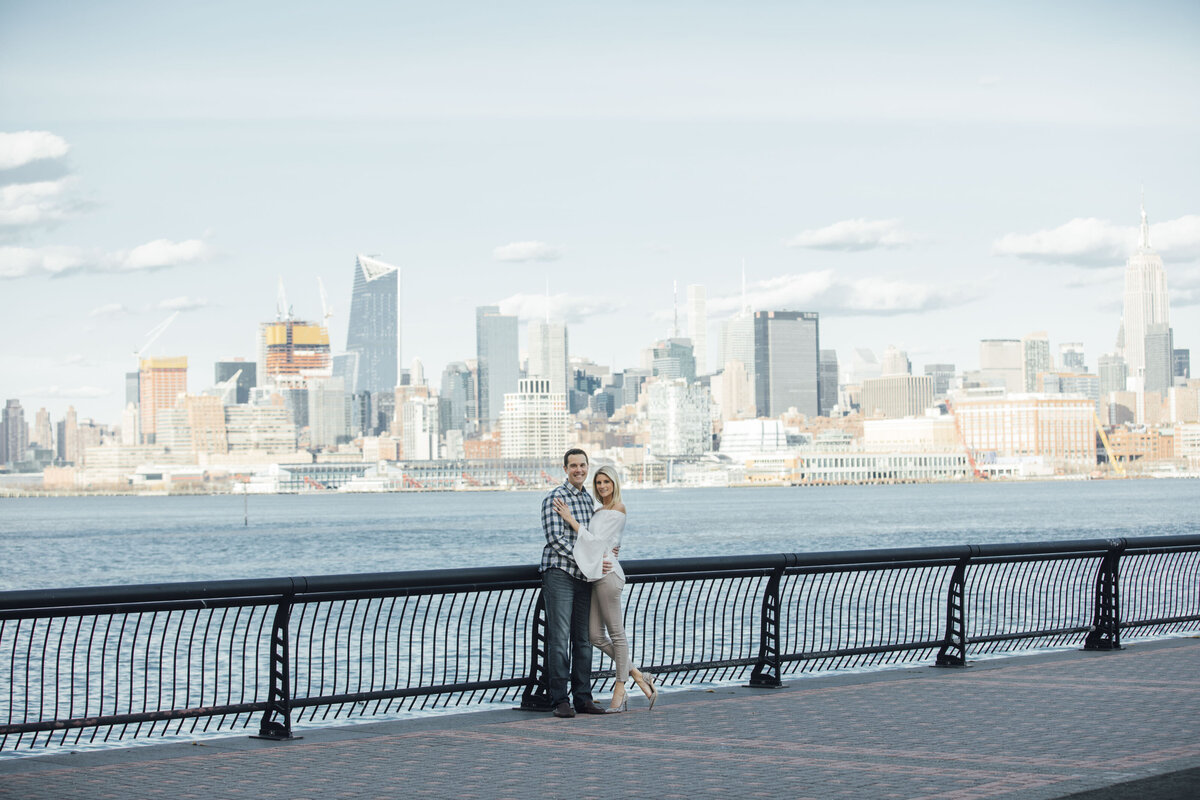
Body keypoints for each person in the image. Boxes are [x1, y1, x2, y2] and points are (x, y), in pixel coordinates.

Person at [554, 465, 658, 712]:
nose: (602, 486)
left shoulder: (618, 509)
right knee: (595, 636)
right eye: (599, 482)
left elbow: (597, 541)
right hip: (595, 576)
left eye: (606, 482)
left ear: (615, 484)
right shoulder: (598, 509)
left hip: (609, 575)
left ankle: (620, 688)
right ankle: (638, 675)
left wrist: (570, 520)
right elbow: (598, 543)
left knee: (617, 633)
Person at [539, 448, 606, 718]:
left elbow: (595, 537)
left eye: (582, 465)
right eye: (573, 466)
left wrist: (596, 558)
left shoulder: (590, 501)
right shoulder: (554, 498)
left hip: (585, 576)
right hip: (560, 573)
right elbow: (556, 539)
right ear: (565, 469)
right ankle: (559, 700)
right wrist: (586, 559)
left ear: (587, 467)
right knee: (559, 638)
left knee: (584, 639)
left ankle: (583, 698)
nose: (579, 470)